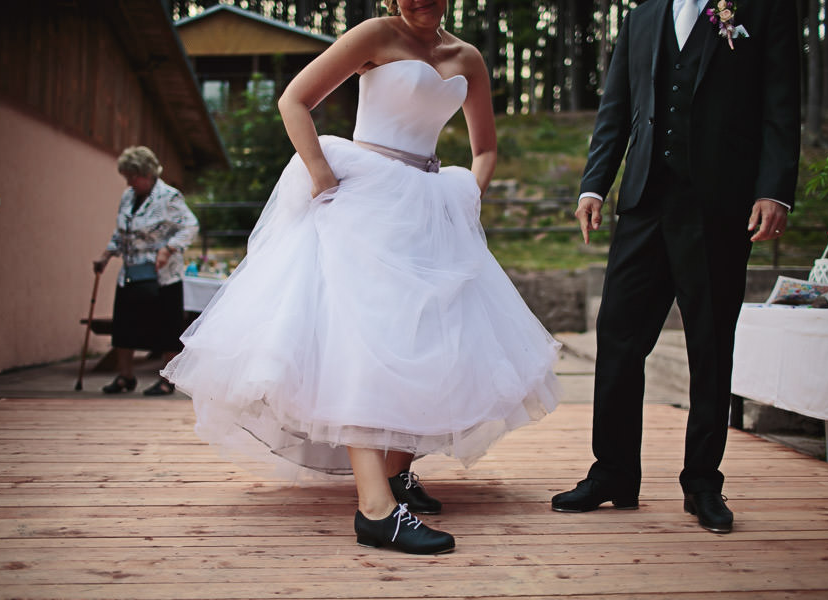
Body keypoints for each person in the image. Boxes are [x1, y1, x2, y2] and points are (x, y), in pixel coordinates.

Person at [162, 0, 561, 555]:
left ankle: (396, 474)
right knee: (365, 339)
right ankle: (375, 510)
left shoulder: (467, 57)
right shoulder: (375, 33)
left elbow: (485, 148)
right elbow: (294, 100)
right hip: (366, 197)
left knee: (427, 337)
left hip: (429, 205)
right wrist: (320, 174)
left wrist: (465, 196)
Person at [551, 0, 800, 533]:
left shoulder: (764, 11)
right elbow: (617, 107)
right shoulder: (642, 18)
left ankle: (703, 482)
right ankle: (614, 472)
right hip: (644, 202)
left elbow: (781, 106)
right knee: (618, 337)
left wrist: (775, 191)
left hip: (719, 206)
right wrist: (595, 185)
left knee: (709, 344)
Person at [94, 146, 199, 396]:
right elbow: (121, 232)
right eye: (127, 177)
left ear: (148, 173)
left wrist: (168, 249)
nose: (129, 182)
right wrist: (106, 256)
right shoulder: (128, 197)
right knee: (124, 325)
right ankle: (125, 376)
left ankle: (167, 380)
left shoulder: (168, 197)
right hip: (131, 272)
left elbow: (190, 226)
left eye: (133, 176)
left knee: (167, 326)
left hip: (163, 275)